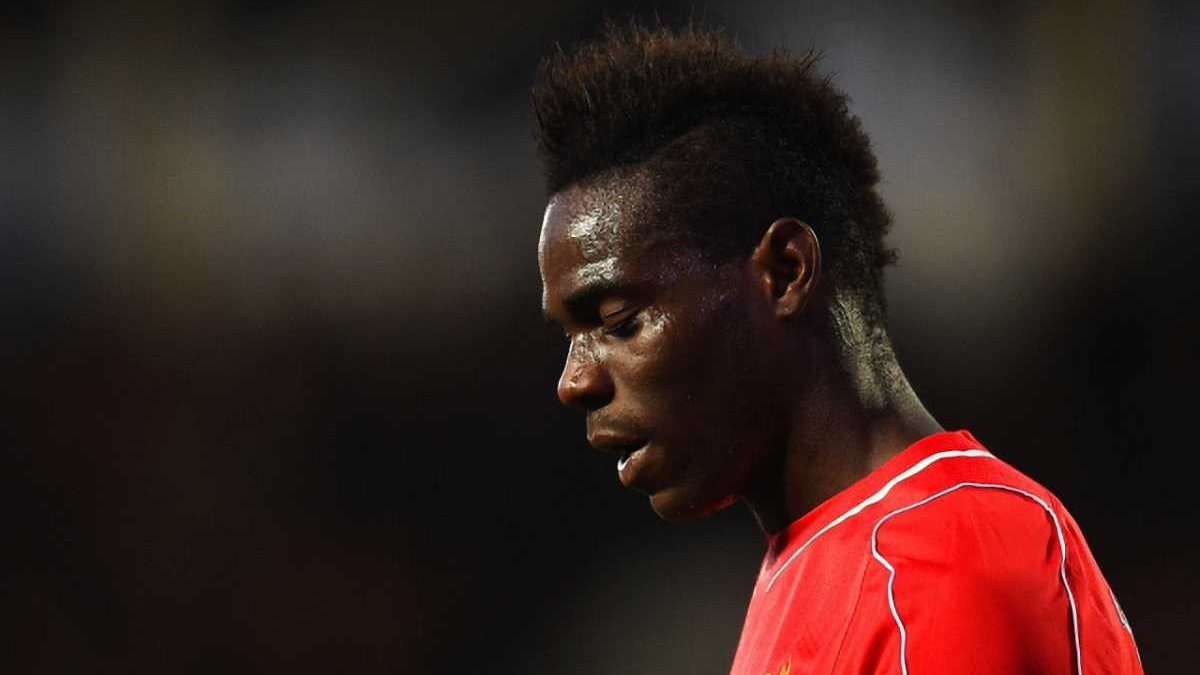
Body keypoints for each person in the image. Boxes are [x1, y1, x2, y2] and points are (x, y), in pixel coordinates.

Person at [533, 21, 1144, 675]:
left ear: (784, 271)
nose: (573, 382)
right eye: (570, 337)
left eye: (619, 321)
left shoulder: (943, 561)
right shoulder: (814, 557)